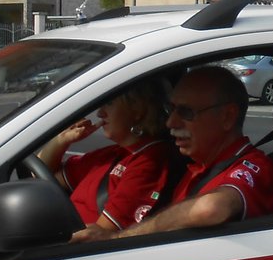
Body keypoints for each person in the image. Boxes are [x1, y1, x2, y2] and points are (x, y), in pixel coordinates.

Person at [75, 65, 273, 241]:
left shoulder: (256, 167)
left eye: (185, 112)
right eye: (171, 109)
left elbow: (210, 208)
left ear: (227, 117)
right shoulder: (196, 166)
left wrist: (118, 239)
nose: (171, 122)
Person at [37, 77, 175, 233]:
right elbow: (41, 180)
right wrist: (61, 141)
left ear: (137, 110)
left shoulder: (150, 161)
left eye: (109, 104)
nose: (100, 113)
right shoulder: (112, 154)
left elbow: (101, 234)